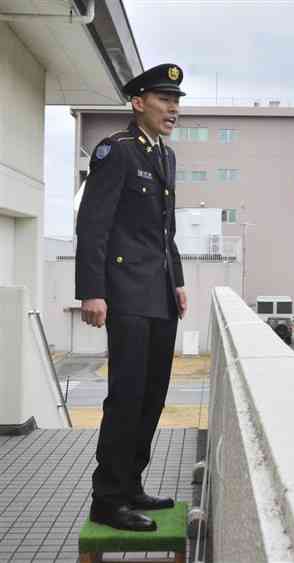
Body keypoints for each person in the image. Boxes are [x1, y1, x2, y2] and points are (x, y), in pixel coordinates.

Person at [76, 64, 188, 532]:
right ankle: (108, 499)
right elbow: (93, 224)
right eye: (164, 100)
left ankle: (131, 485)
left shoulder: (165, 156)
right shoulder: (116, 152)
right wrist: (92, 291)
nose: (173, 109)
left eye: (177, 102)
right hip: (124, 294)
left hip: (160, 294)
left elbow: (165, 231)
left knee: (152, 395)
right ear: (138, 103)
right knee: (125, 396)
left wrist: (177, 280)